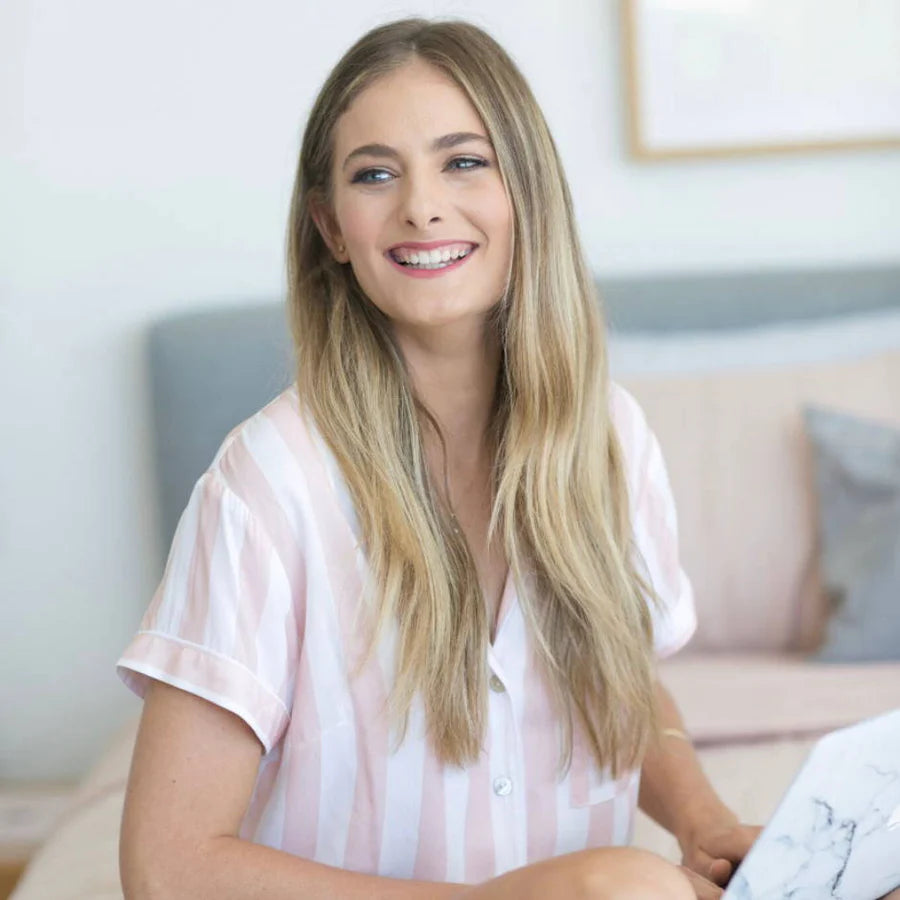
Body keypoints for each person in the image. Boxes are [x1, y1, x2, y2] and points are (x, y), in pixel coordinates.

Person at [116, 17, 760, 899]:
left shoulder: (610, 436)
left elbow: (616, 682)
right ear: (331, 227)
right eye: (375, 174)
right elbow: (167, 869)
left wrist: (705, 823)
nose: (421, 205)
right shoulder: (267, 484)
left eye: (463, 161)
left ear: (527, 193)